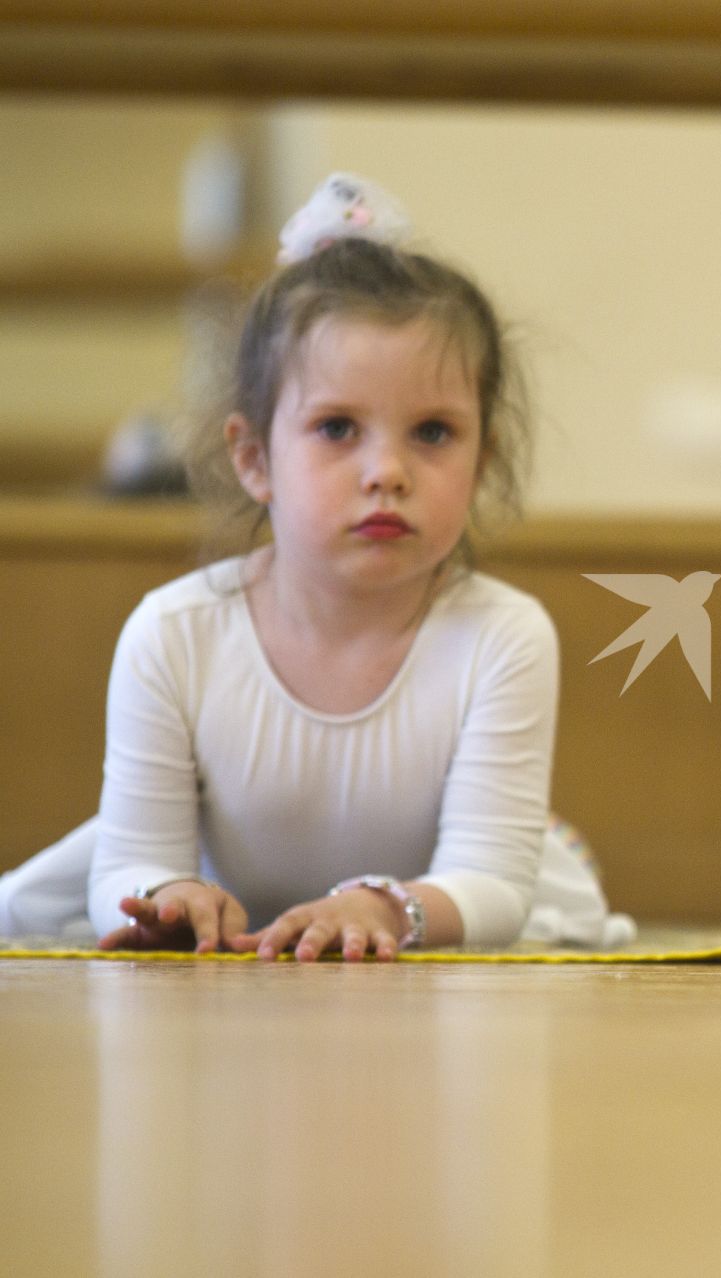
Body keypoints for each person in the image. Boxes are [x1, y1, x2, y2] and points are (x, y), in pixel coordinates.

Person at [0, 174, 633, 959]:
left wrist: (384, 908)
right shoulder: (173, 634)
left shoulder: (503, 635)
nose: (387, 472)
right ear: (255, 458)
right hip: (231, 906)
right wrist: (167, 894)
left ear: (482, 459)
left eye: (433, 433)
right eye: (337, 427)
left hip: (430, 916)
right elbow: (132, 856)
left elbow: (493, 884)